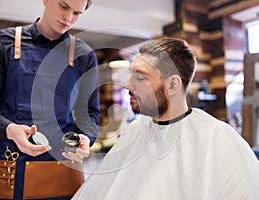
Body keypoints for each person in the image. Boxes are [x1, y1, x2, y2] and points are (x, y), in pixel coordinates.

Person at [72, 37, 259, 200]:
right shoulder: (135, 131)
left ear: (172, 85)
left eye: (140, 77)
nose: (128, 84)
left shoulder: (216, 137)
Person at [0, 0, 99, 199]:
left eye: (77, 13)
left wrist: (86, 137)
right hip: (8, 163)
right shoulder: (4, 42)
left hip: (61, 168)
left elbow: (89, 112)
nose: (69, 18)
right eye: (64, 6)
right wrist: (9, 129)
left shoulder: (85, 55)